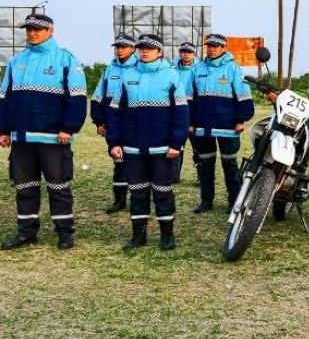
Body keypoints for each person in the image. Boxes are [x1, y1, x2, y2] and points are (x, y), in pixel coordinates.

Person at [0, 14, 87, 250]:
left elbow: (77, 99)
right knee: (24, 186)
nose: (32, 33)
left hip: (52, 137)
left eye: (37, 29)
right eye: (29, 29)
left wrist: (68, 129)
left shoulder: (66, 59)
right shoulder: (17, 61)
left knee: (58, 186)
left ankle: (64, 232)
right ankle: (27, 232)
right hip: (22, 137)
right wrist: (4, 130)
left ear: (50, 30)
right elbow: (4, 99)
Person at [107, 34, 189, 250]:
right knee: (138, 192)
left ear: (159, 52)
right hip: (132, 148)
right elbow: (115, 112)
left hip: (163, 148)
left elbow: (181, 114)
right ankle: (138, 236)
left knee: (163, 192)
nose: (144, 51)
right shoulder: (127, 76)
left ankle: (167, 236)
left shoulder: (171, 76)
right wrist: (114, 143)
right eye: (141, 47)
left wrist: (176, 144)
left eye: (150, 48)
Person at [188, 33, 253, 213]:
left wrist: (241, 119)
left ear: (224, 48)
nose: (211, 49)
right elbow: (189, 98)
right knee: (205, 165)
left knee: (230, 165)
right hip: (202, 126)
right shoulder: (197, 69)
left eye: (215, 46)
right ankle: (206, 201)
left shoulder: (233, 68)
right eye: (209, 45)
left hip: (228, 127)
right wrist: (190, 122)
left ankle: (234, 202)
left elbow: (244, 96)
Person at [91, 33, 138, 213]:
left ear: (133, 48)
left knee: (136, 162)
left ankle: (138, 200)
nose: (120, 50)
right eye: (117, 47)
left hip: (135, 123)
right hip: (113, 123)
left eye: (124, 46)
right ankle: (119, 200)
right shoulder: (109, 70)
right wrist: (99, 122)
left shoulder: (141, 67)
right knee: (118, 161)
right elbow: (97, 97)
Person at [170, 41, 200, 185]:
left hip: (193, 110)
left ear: (194, 54)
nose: (186, 54)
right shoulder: (171, 69)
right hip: (176, 111)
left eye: (189, 52)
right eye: (183, 51)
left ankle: (201, 177)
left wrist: (193, 122)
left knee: (198, 148)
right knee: (176, 146)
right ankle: (173, 176)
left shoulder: (200, 70)